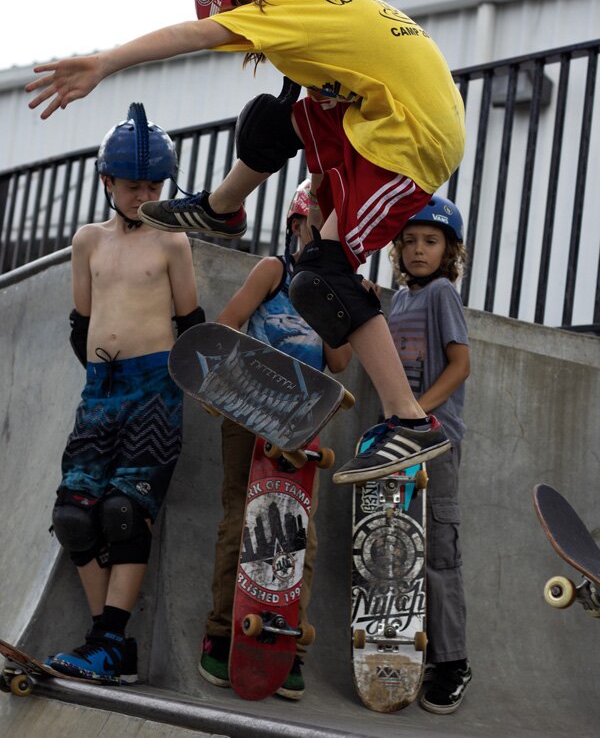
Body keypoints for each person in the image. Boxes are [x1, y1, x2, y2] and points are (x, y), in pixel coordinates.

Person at [26, 0, 466, 484]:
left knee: (320, 278)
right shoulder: (320, 9)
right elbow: (308, 120)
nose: (246, 43)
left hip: (408, 144)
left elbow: (190, 35)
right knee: (276, 116)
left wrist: (106, 63)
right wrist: (323, 193)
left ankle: (410, 420)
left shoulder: (281, 10)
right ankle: (222, 208)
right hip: (373, 124)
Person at [46, 103, 204, 683]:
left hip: (154, 387)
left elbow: (192, 324)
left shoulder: (173, 242)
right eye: (132, 184)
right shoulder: (87, 240)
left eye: (152, 184)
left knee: (123, 512)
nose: (143, 194)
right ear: (106, 181)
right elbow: (80, 325)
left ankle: (109, 642)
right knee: (75, 516)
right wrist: (98, 382)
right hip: (100, 389)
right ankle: (108, 643)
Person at [199, 180, 352, 700]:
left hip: (301, 422)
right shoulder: (274, 271)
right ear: (296, 225)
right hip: (250, 413)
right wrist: (228, 383)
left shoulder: (337, 287)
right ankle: (220, 634)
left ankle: (287, 646)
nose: (326, 244)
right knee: (240, 518)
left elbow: (339, 363)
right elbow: (227, 325)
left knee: (295, 533)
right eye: (318, 233)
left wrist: (343, 308)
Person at [387, 195, 472, 714]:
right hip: (397, 442)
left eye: (431, 241)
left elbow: (460, 365)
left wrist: (417, 410)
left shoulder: (441, 293)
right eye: (411, 240)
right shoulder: (396, 301)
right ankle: (408, 650)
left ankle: (453, 662)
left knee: (439, 551)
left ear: (449, 251)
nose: (419, 250)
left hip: (436, 440)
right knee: (398, 549)